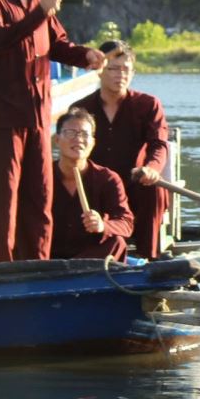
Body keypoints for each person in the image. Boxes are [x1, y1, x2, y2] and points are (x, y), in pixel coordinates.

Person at [0, 0, 103, 263]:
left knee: (40, 200)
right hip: (1, 119)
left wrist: (86, 55)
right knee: (2, 205)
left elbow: (57, 44)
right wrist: (40, 13)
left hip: (37, 117)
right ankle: (1, 273)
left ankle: (37, 268)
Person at [77, 41, 171, 258]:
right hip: (98, 187)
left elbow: (158, 144)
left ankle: (150, 258)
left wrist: (152, 168)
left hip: (135, 182)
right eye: (113, 69)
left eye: (126, 69)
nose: (120, 75)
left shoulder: (148, 105)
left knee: (154, 187)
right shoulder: (82, 109)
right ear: (99, 71)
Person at [49, 107, 134, 261]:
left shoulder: (107, 179)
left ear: (93, 143)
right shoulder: (43, 177)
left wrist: (103, 225)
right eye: (70, 133)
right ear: (57, 140)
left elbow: (126, 222)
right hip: (48, 253)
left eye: (84, 134)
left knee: (117, 243)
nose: (78, 139)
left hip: (90, 256)